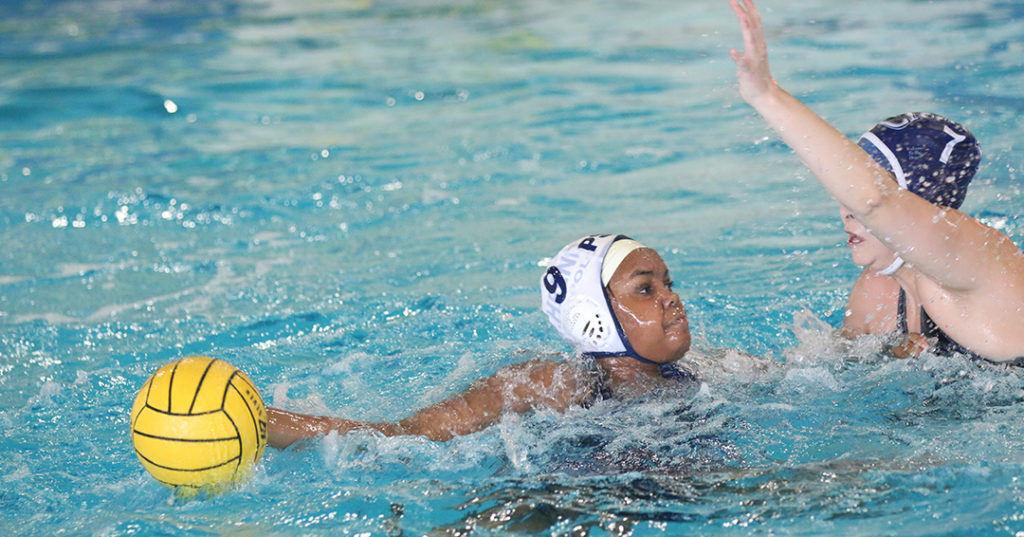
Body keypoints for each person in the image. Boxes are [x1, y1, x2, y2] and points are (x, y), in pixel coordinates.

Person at [729, 0, 1024, 363]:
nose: (846, 209)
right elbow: (818, 372)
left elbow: (875, 202)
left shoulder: (980, 258)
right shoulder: (880, 288)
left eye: (854, 188)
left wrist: (766, 96)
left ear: (918, 205)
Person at [267, 234, 697, 448]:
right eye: (646, 289)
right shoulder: (550, 382)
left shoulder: (709, 370)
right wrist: (262, 421)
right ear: (592, 318)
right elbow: (401, 436)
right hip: (567, 499)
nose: (671, 298)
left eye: (669, 283)